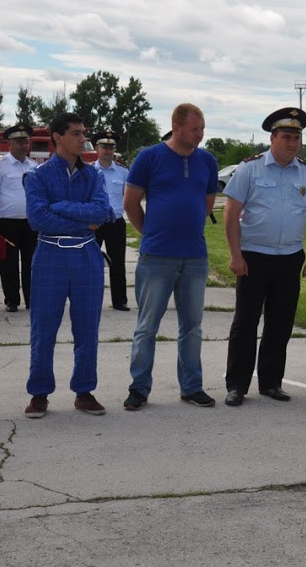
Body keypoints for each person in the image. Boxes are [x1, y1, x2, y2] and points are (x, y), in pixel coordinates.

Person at [222, 107, 306, 406]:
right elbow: (231, 213)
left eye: (296, 138)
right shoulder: (250, 168)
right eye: (286, 137)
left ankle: (271, 382)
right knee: (245, 323)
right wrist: (235, 255)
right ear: (272, 138)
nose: (292, 143)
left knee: (280, 324)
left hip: (289, 258)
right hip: (253, 257)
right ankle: (237, 385)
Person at [122, 104, 219, 411]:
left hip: (194, 257)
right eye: (195, 129)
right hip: (157, 257)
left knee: (192, 326)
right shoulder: (149, 157)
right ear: (176, 127)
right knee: (147, 326)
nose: (200, 135)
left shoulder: (207, 160)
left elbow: (207, 203)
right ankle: (139, 388)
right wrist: (151, 233)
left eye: (202, 129)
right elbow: (131, 203)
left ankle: (191, 387)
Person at [23, 113, 114, 419]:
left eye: (83, 133)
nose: (82, 139)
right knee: (44, 326)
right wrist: (83, 220)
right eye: (76, 133)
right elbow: (38, 219)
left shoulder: (94, 176)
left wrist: (61, 206)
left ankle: (84, 391)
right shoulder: (37, 176)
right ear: (57, 137)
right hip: (50, 255)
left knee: (87, 326)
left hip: (87, 255)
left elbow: (101, 212)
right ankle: (39, 392)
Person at [0, 122, 38, 312]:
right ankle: (12, 300)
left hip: (31, 223)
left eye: (26, 142)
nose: (23, 145)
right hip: (7, 223)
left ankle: (32, 300)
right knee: (8, 264)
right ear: (9, 143)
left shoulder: (34, 166)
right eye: (19, 142)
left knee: (32, 263)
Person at [92, 131, 130, 311]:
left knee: (118, 262)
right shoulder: (89, 171)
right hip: (95, 223)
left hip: (116, 223)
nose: (108, 151)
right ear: (96, 148)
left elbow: (128, 197)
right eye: (104, 147)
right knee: (92, 263)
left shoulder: (123, 172)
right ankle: (91, 299)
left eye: (111, 147)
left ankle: (119, 300)